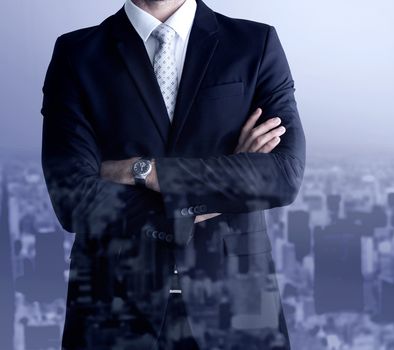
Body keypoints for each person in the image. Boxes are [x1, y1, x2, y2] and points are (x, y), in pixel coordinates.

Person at [40, 0, 305, 348]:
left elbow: (283, 174)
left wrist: (145, 171)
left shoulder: (255, 43)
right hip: (111, 309)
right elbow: (73, 198)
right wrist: (227, 183)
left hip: (239, 308)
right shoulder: (77, 54)